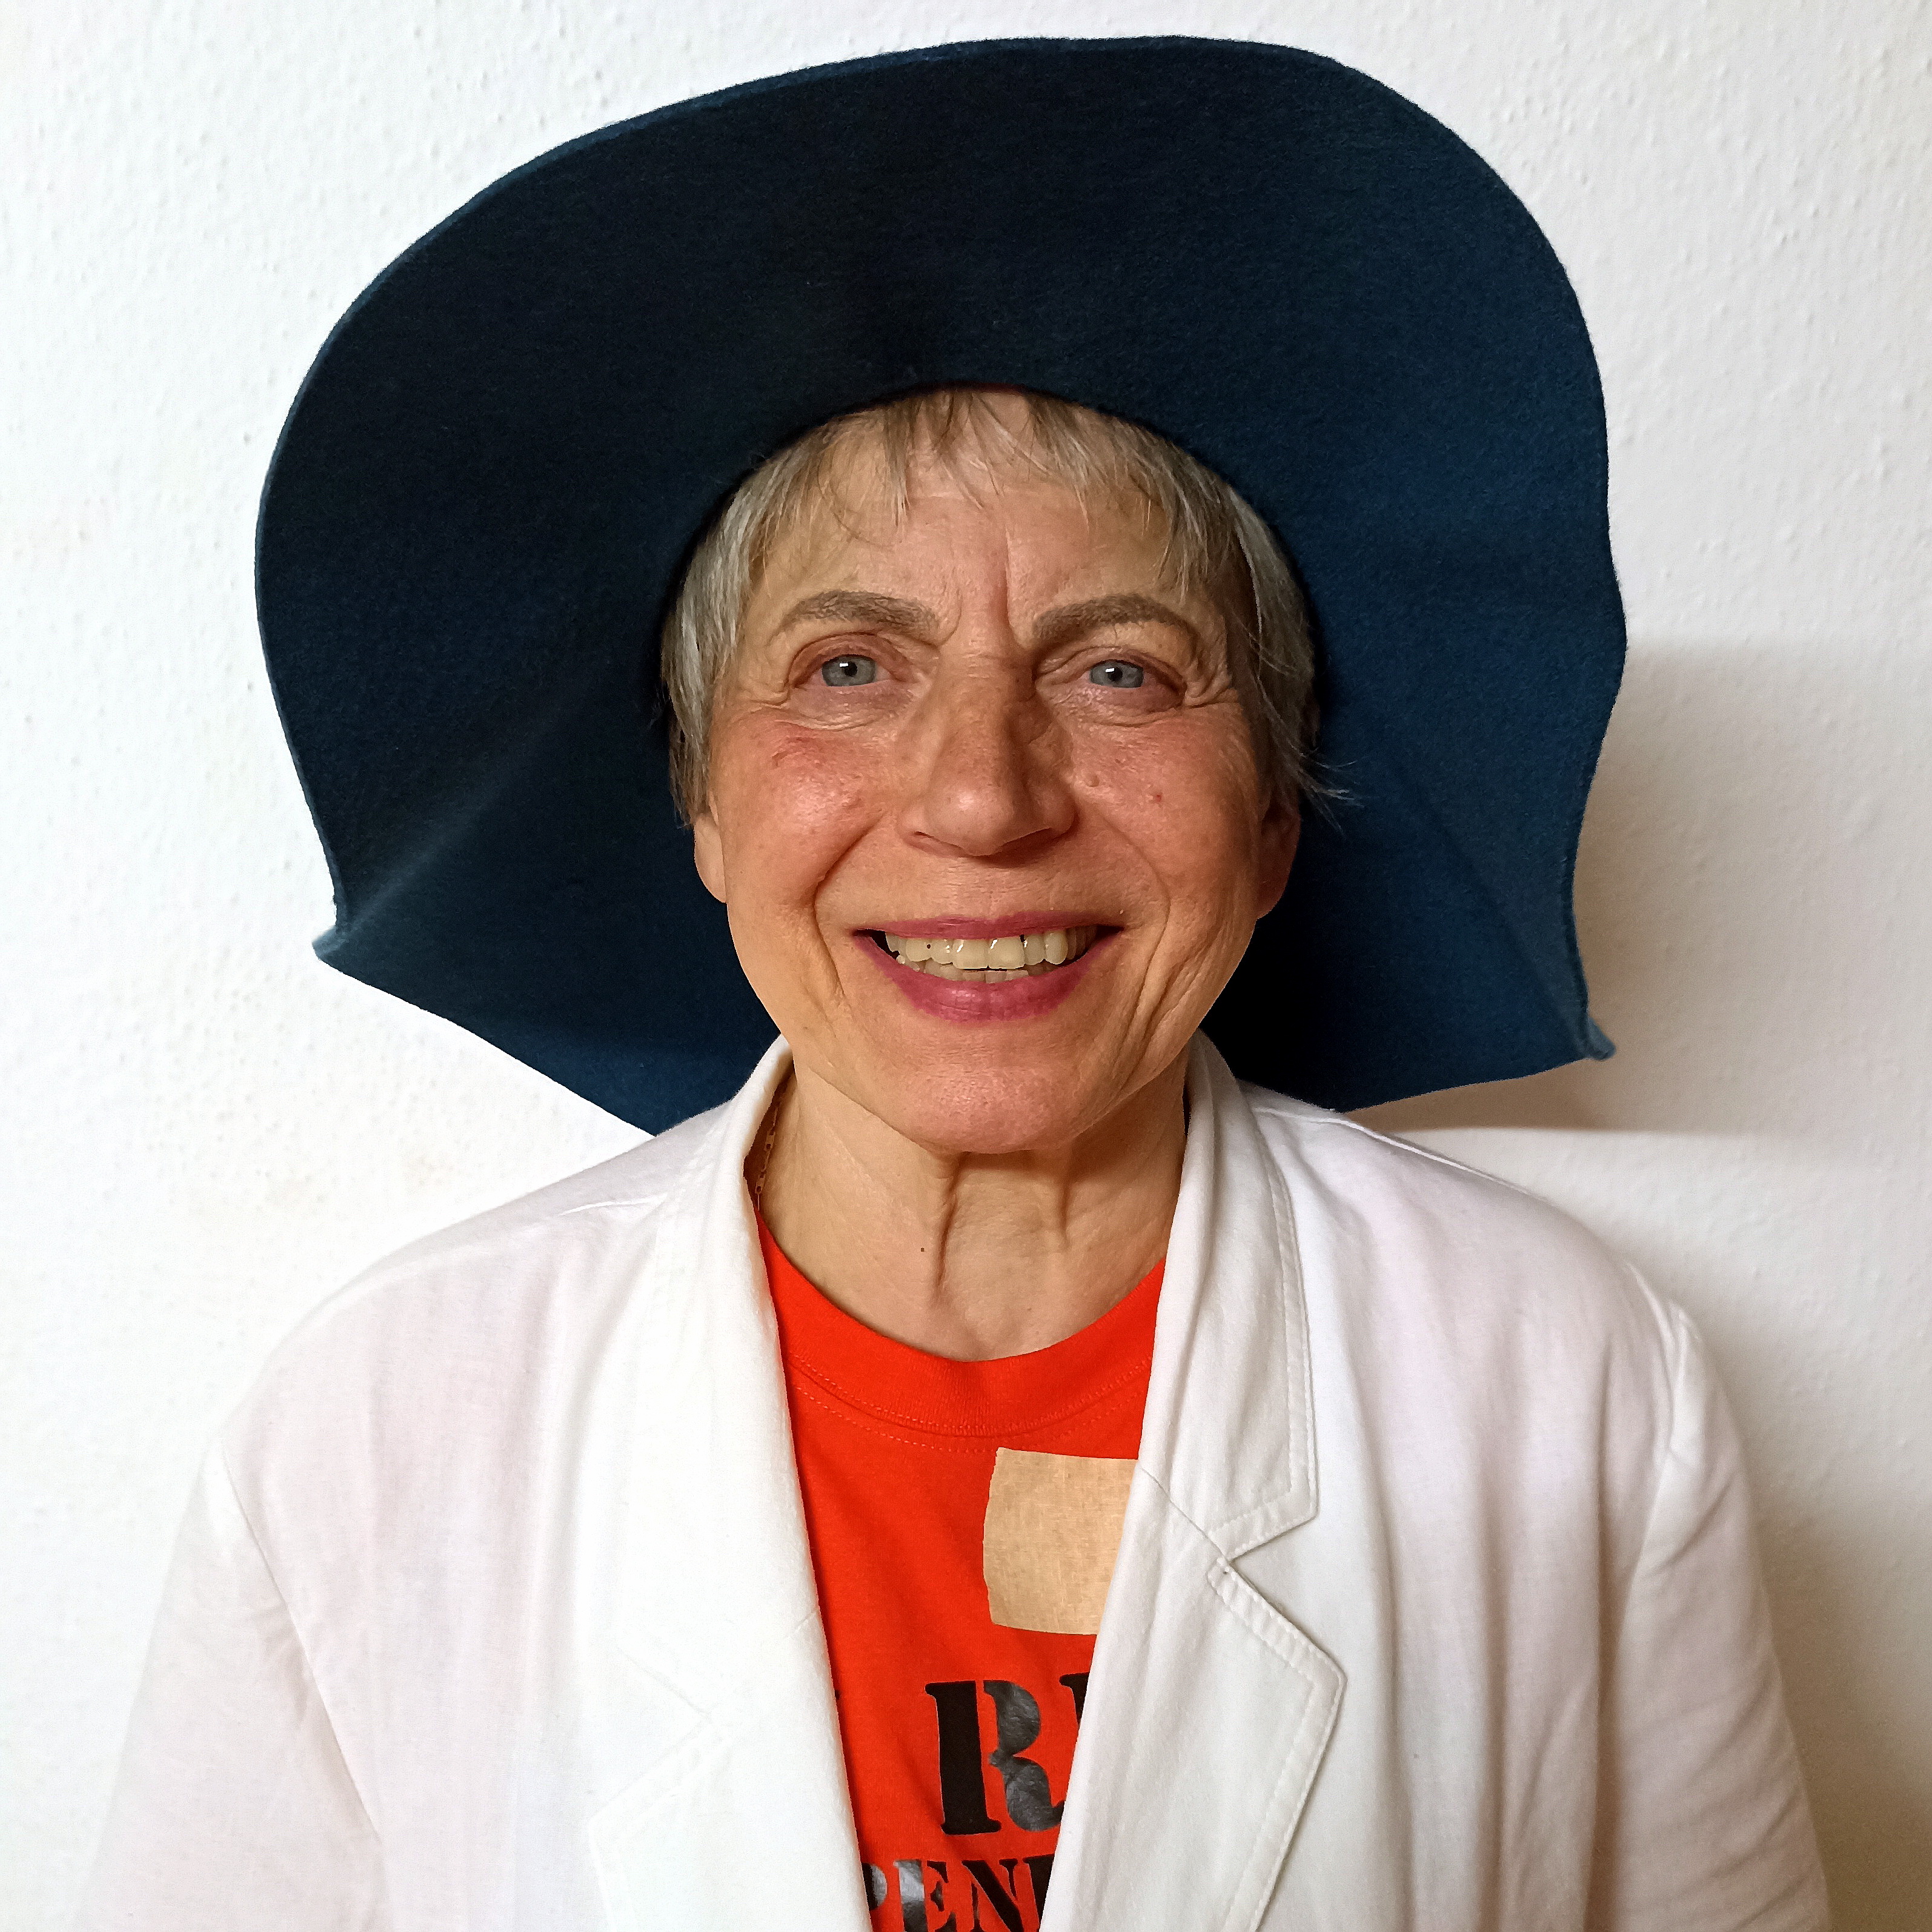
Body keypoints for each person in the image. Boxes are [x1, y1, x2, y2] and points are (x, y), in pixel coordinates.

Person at [80, 39, 1828, 1932]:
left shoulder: (1567, 1387)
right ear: (704, 806)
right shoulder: (378, 1431)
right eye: (848, 668)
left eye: (1120, 670)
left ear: (1270, 824)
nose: (987, 801)